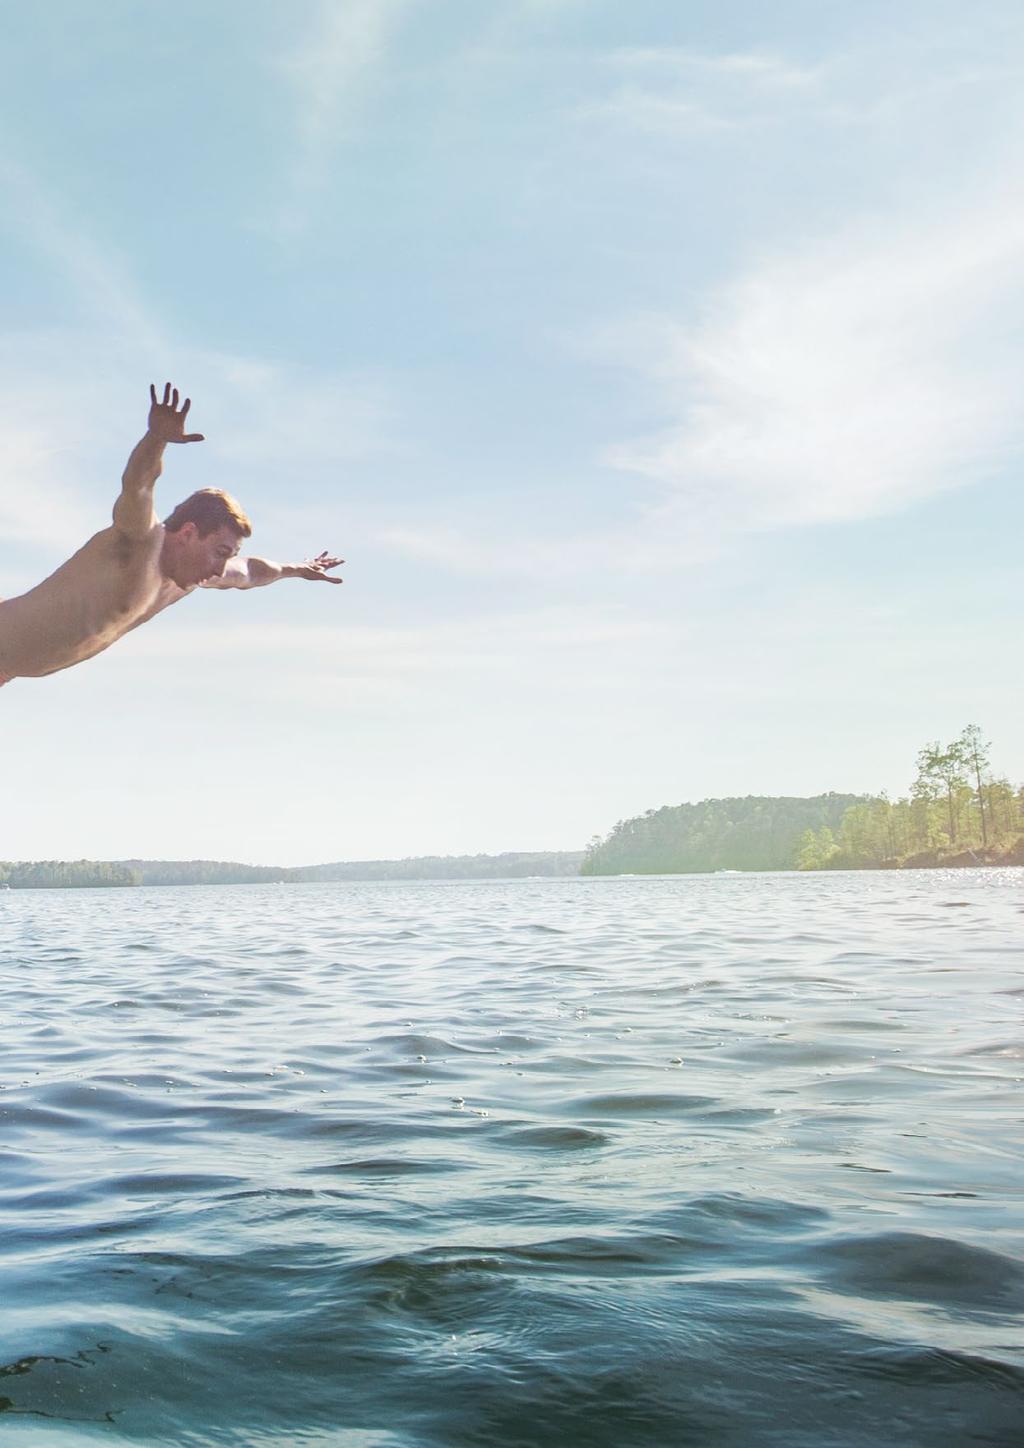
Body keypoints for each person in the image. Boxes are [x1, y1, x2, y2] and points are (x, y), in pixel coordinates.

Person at [0, 383, 343, 686]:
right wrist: (156, 440)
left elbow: (251, 571)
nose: (222, 568)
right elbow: (138, 487)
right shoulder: (139, 540)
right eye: (221, 552)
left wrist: (298, 568)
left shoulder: (192, 578)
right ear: (189, 533)